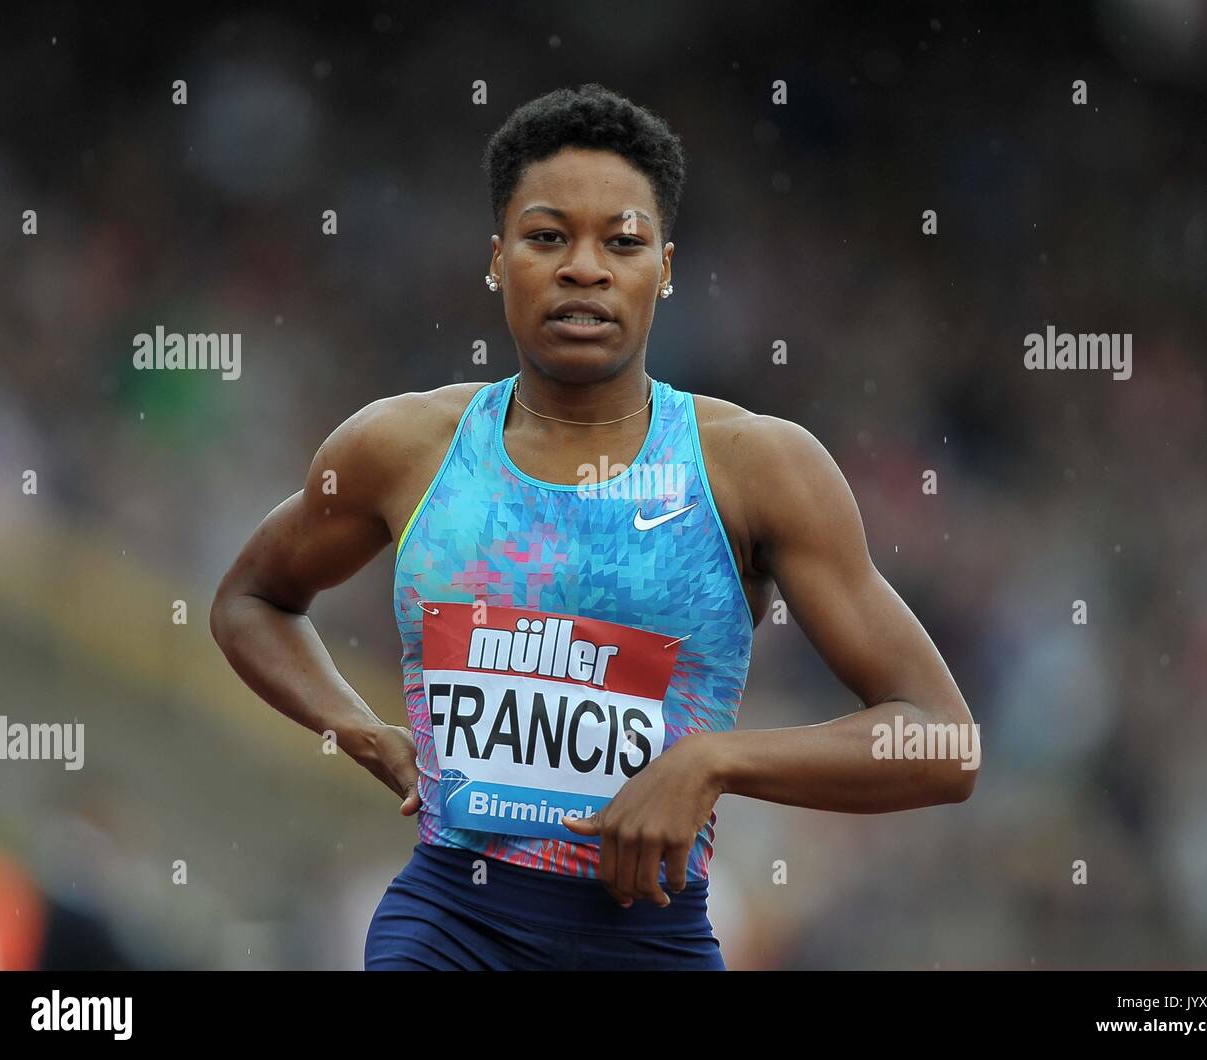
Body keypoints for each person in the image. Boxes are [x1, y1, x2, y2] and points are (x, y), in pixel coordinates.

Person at [209, 83, 977, 971]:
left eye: (622, 241)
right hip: (451, 924)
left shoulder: (755, 467)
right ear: (497, 258)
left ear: (667, 266)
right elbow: (250, 601)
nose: (585, 267)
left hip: (646, 938)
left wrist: (713, 763)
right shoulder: (404, 446)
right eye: (547, 237)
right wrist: (366, 733)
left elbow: (942, 739)